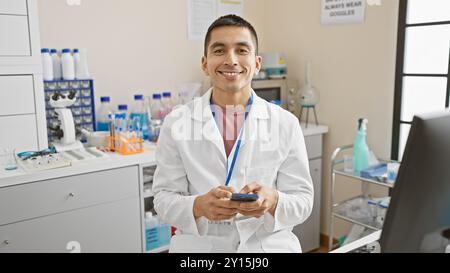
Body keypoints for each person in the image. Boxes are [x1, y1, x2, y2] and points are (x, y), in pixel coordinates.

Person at [152, 14, 313, 253]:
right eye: (219, 51)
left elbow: (303, 201)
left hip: (267, 246)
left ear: (257, 63)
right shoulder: (177, 123)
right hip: (201, 249)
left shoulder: (286, 124)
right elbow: (163, 199)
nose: (231, 60)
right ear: (205, 63)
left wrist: (272, 200)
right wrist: (198, 206)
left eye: (242, 50)